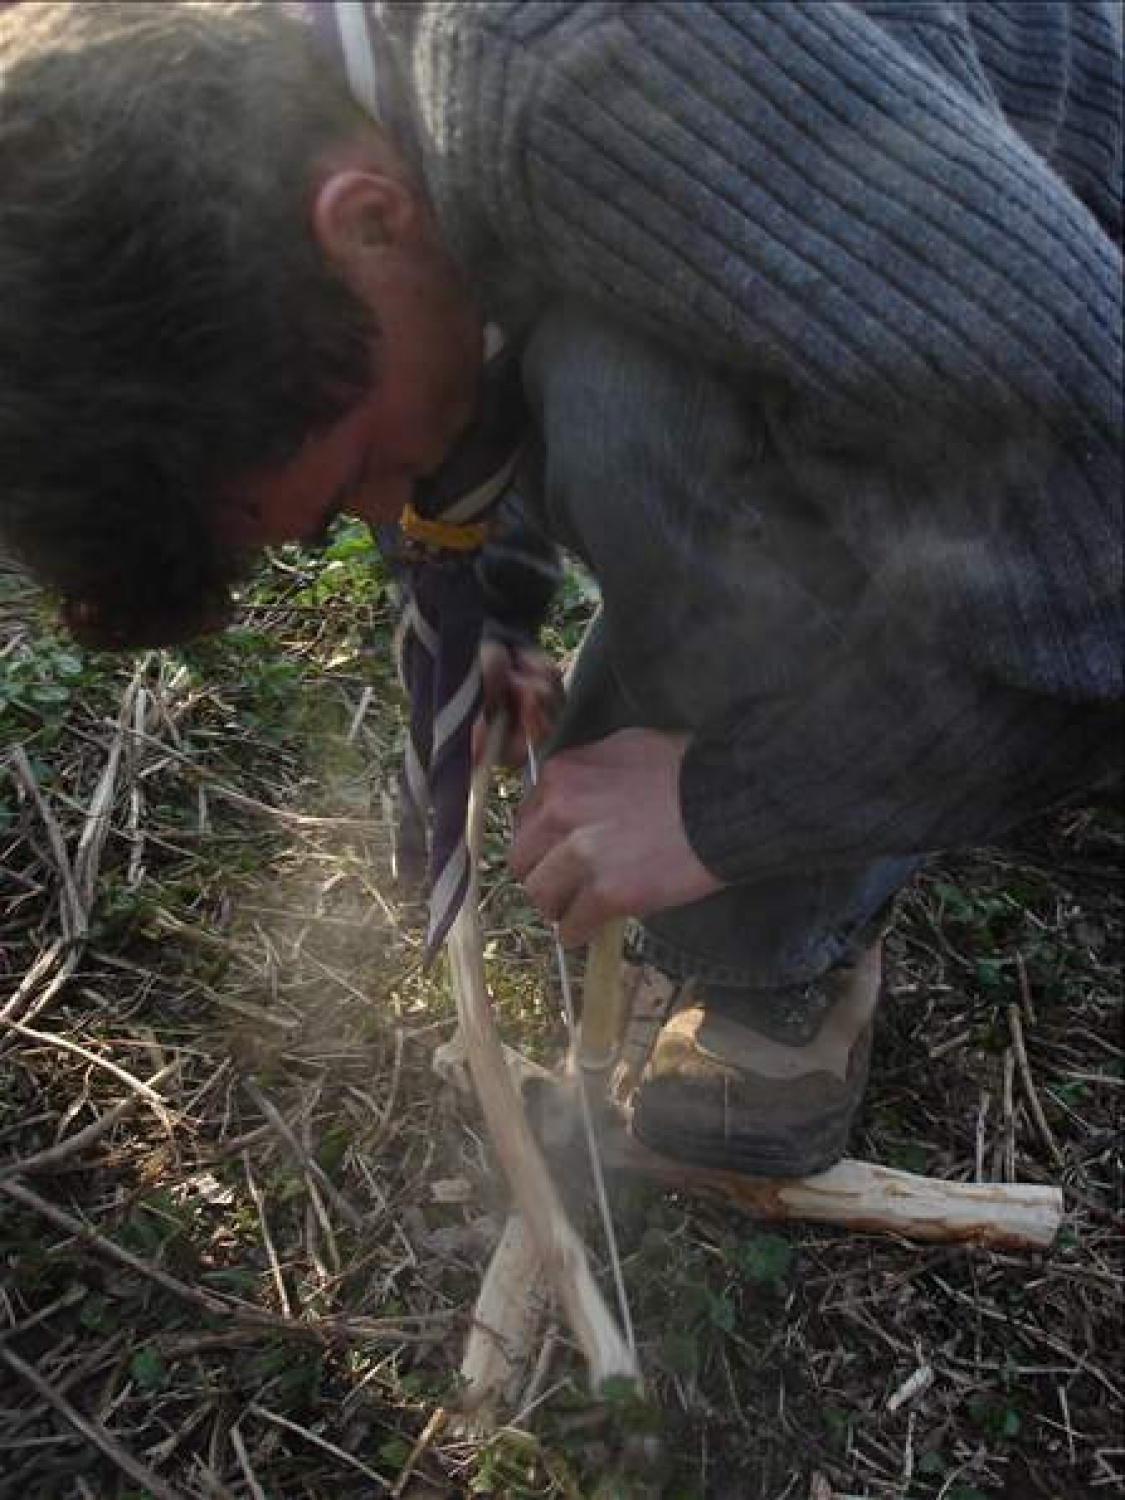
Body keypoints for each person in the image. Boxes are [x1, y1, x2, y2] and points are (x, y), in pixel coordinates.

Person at [0, 1, 1120, 1175]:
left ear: (366, 222)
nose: (395, 517)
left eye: (361, 480)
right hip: (963, 328)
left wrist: (731, 803)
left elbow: (1107, 564)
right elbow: (460, 302)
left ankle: (778, 954)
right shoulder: (320, 105)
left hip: (1081, 337)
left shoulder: (597, 70)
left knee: (638, 418)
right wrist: (476, 604)